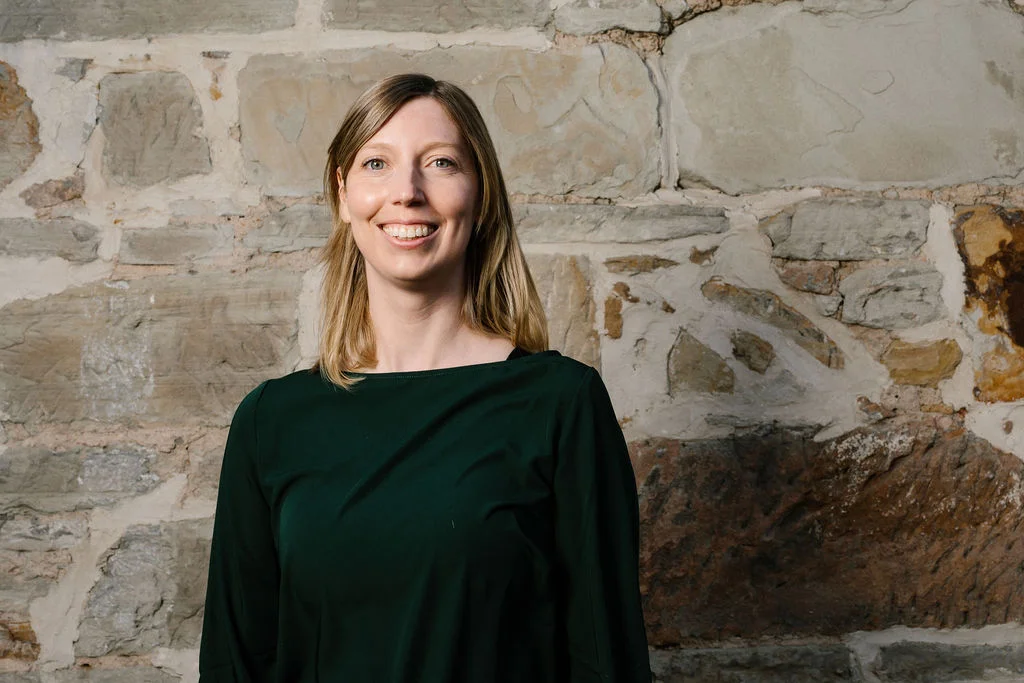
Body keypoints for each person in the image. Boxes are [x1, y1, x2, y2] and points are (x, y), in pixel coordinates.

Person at [198, 73, 652, 682]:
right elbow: (237, 663)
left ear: (481, 192)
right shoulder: (271, 420)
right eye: (377, 164)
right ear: (342, 195)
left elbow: (607, 659)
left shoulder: (559, 403)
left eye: (439, 163)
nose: (407, 192)